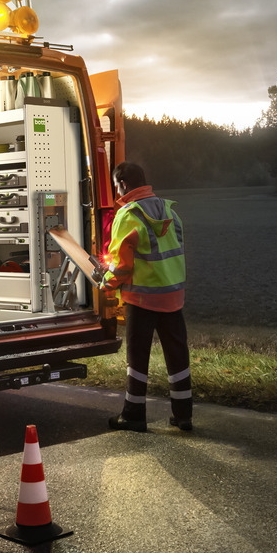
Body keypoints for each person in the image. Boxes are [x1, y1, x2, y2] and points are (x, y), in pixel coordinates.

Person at [98, 161, 193, 432]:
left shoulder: (128, 214)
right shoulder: (170, 211)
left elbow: (121, 264)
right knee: (178, 356)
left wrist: (106, 282)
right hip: (173, 297)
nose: (117, 192)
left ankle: (133, 415)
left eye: (117, 186)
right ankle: (183, 415)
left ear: (123, 184)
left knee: (138, 360)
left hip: (141, 300)